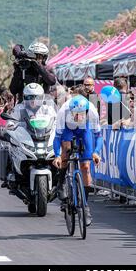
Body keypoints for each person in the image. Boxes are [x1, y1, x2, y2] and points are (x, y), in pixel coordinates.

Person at [52, 95, 103, 227]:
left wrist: (96, 152)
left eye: (82, 114)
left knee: (85, 167)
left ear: (86, 112)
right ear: (71, 112)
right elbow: (57, 138)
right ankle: (61, 182)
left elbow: (98, 136)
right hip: (68, 129)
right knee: (66, 150)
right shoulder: (63, 112)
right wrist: (57, 155)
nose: (79, 117)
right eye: (76, 114)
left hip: (83, 130)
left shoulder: (92, 112)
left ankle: (85, 206)